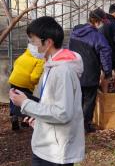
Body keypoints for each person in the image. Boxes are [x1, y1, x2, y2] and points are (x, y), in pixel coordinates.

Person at [9, 16, 85, 165]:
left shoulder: (63, 71)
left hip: (56, 151)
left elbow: (63, 113)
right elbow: (52, 105)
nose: (31, 45)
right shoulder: (52, 66)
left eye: (33, 41)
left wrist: (25, 104)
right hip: (47, 145)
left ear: (48, 42)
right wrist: (37, 118)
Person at [69, 8, 112, 133]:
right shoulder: (98, 37)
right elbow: (105, 55)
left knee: (76, 98)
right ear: (98, 22)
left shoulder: (74, 32)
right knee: (89, 100)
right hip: (90, 72)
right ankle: (85, 125)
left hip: (73, 71)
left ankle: (74, 123)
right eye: (102, 22)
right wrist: (107, 71)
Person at [8, 43, 44, 130]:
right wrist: (33, 83)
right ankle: (25, 120)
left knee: (14, 98)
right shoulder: (40, 60)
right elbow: (35, 77)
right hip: (25, 83)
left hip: (14, 79)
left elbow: (15, 63)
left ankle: (14, 117)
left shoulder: (25, 54)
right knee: (25, 101)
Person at [99, 3, 115, 93]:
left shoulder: (101, 22)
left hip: (102, 53)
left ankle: (104, 93)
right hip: (113, 53)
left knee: (105, 72)